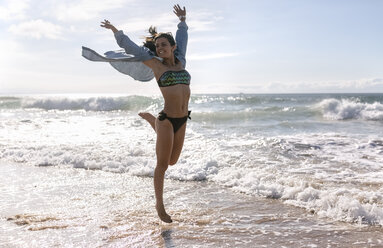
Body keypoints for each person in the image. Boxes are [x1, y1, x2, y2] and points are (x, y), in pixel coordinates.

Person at [99, 4, 190, 223]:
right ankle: (159, 205)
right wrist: (116, 31)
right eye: (157, 46)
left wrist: (183, 22)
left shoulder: (182, 61)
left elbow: (183, 39)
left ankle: (152, 121)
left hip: (183, 119)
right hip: (168, 119)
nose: (160, 48)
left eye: (164, 45)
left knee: (174, 161)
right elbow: (133, 48)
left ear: (172, 46)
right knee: (162, 165)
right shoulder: (156, 66)